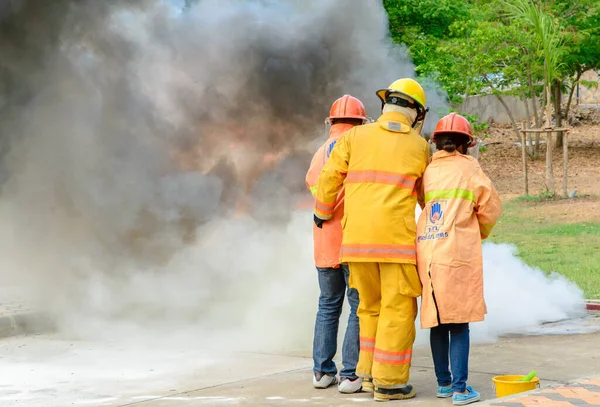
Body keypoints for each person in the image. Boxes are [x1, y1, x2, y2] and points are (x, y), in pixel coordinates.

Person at [313, 79, 430, 401]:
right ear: (416, 113)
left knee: (368, 309)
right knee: (398, 310)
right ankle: (390, 383)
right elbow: (426, 197)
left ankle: (366, 374)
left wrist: (322, 213)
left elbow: (329, 177)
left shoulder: (354, 137)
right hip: (396, 245)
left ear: (385, 105)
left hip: (357, 243)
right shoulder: (420, 147)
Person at [416, 113, 502, 405]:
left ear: (437, 143)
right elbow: (489, 209)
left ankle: (443, 383)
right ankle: (460, 389)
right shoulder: (470, 169)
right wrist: (479, 232)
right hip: (457, 253)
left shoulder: (427, 170)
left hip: (427, 252)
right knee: (459, 321)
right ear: (466, 144)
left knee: (437, 318)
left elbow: (423, 202)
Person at [306, 94, 368, 394]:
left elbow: (317, 190)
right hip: (354, 241)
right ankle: (350, 374)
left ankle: (321, 372)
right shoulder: (360, 149)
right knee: (357, 308)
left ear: (331, 122)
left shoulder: (320, 153)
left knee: (328, 305)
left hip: (325, 243)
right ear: (361, 123)